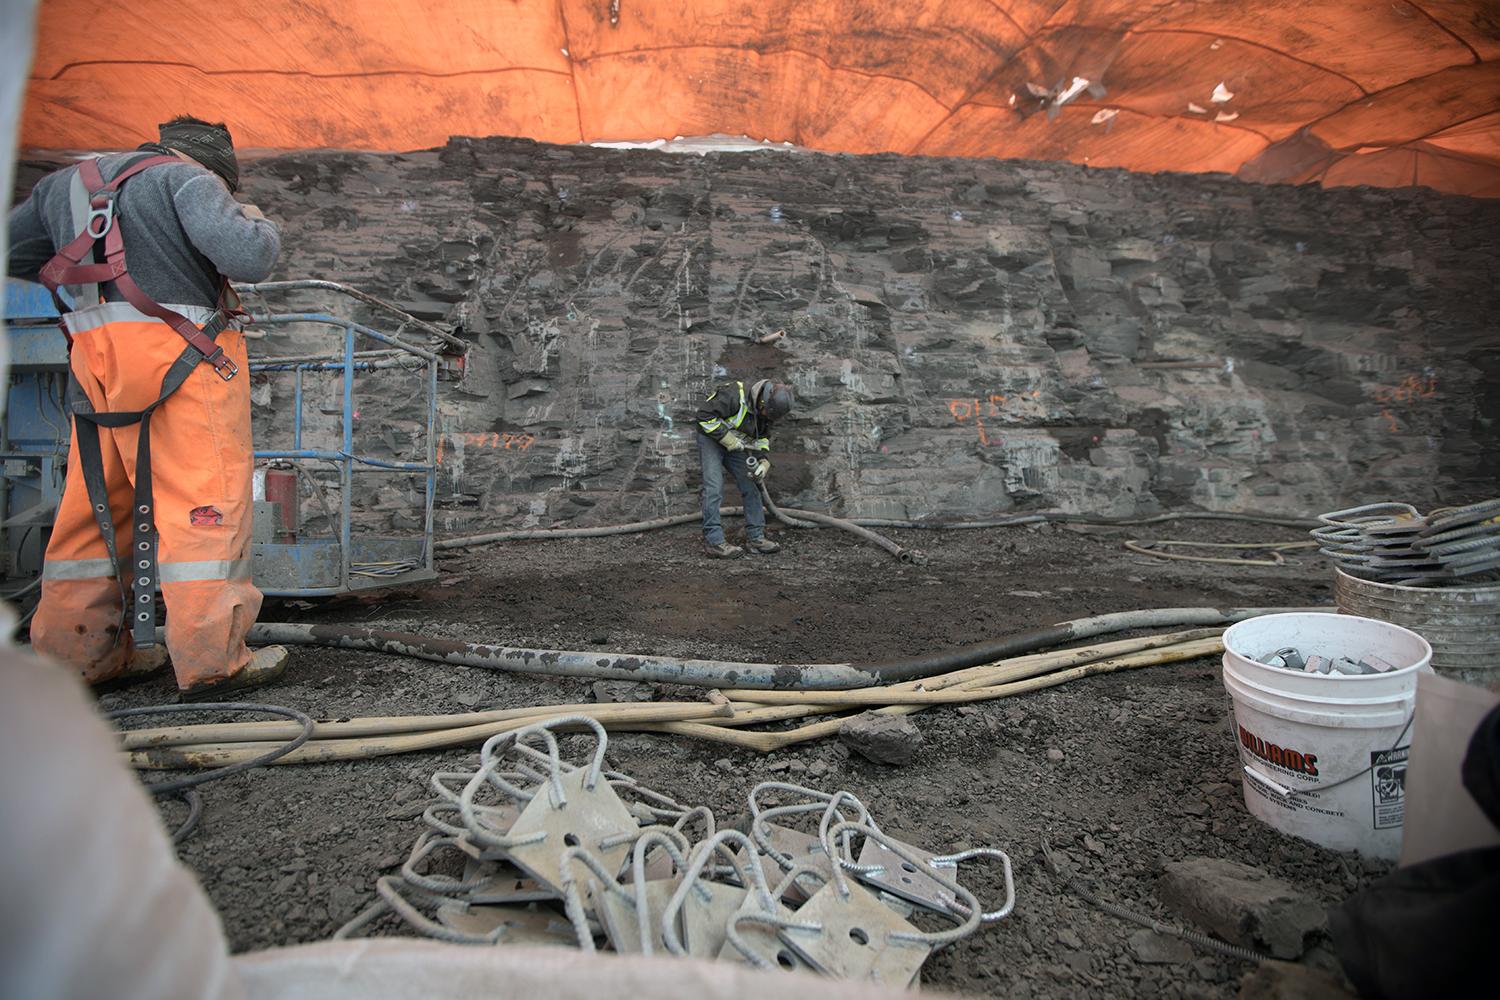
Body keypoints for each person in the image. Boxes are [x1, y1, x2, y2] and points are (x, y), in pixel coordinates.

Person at [7, 115, 289, 700]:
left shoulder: (65, 186)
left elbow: (14, 251)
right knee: (202, 506)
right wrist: (256, 221)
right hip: (182, 360)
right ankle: (215, 663)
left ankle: (76, 659)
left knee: (93, 510)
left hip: (96, 363)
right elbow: (250, 257)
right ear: (214, 167)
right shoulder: (188, 178)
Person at [694, 378, 793, 558]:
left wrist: (763, 461)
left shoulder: (766, 411)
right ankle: (714, 542)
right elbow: (703, 416)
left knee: (752, 485)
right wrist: (728, 440)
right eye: (765, 413)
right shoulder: (733, 394)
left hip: (736, 444)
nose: (766, 417)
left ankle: (756, 538)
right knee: (713, 487)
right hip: (711, 440)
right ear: (761, 401)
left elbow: (761, 438)